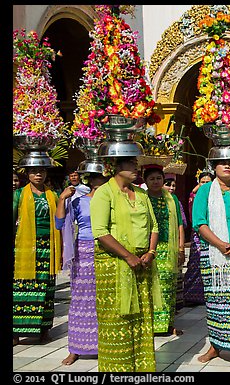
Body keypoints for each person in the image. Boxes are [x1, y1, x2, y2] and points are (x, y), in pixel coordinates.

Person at [90, 156, 162, 372]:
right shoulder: (104, 193)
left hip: (142, 264)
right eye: (131, 164)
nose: (136, 168)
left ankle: (142, 367)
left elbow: (154, 226)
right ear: (116, 167)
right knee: (118, 318)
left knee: (141, 318)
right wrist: (127, 256)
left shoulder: (140, 193)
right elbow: (100, 232)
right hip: (114, 265)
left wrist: (150, 251)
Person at [192, 158, 230, 367]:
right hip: (214, 255)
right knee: (215, 301)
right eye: (222, 163)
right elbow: (199, 222)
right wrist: (220, 244)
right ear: (214, 167)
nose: (227, 166)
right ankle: (215, 346)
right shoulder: (204, 191)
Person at [55, 171, 108, 365]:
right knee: (81, 299)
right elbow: (59, 222)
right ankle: (75, 348)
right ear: (90, 180)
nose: (100, 182)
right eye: (97, 178)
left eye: (104, 178)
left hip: (108, 249)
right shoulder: (78, 201)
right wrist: (62, 198)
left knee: (105, 298)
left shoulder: (112, 199)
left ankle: (105, 345)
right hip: (84, 250)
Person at [13, 166, 62, 347]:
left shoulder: (53, 195)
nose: (38, 175)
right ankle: (16, 333)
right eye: (34, 172)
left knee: (46, 290)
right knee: (22, 289)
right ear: (27, 174)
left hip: (48, 247)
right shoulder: (18, 195)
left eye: (41, 171)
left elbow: (59, 221)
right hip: (24, 247)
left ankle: (43, 331)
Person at [143, 165, 186, 336]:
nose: (155, 182)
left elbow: (179, 225)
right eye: (151, 179)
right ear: (145, 181)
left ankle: (167, 324)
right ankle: (150, 325)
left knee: (167, 287)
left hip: (168, 248)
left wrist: (181, 248)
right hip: (148, 248)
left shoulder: (171, 199)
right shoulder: (142, 198)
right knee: (150, 287)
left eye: (158, 178)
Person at [183, 169, 213, 306]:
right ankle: (190, 294)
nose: (205, 184)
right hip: (198, 233)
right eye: (202, 182)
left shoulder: (215, 196)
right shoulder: (194, 197)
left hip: (214, 234)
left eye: (208, 182)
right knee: (196, 263)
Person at [163, 174, 187, 312]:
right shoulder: (147, 197)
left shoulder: (175, 201)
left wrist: (181, 247)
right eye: (168, 184)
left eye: (173, 186)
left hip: (173, 242)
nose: (171, 188)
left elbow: (180, 223)